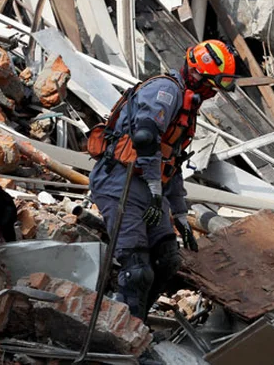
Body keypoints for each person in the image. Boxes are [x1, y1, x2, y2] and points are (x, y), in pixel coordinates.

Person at [88, 39, 238, 321]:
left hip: (148, 189)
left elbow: (173, 161)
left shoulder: (185, 104)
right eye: (213, 84)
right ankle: (122, 335)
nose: (213, 93)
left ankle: (136, 324)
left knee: (167, 260)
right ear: (198, 74)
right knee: (136, 270)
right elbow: (145, 138)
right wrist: (157, 188)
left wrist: (180, 213)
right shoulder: (165, 91)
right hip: (121, 182)